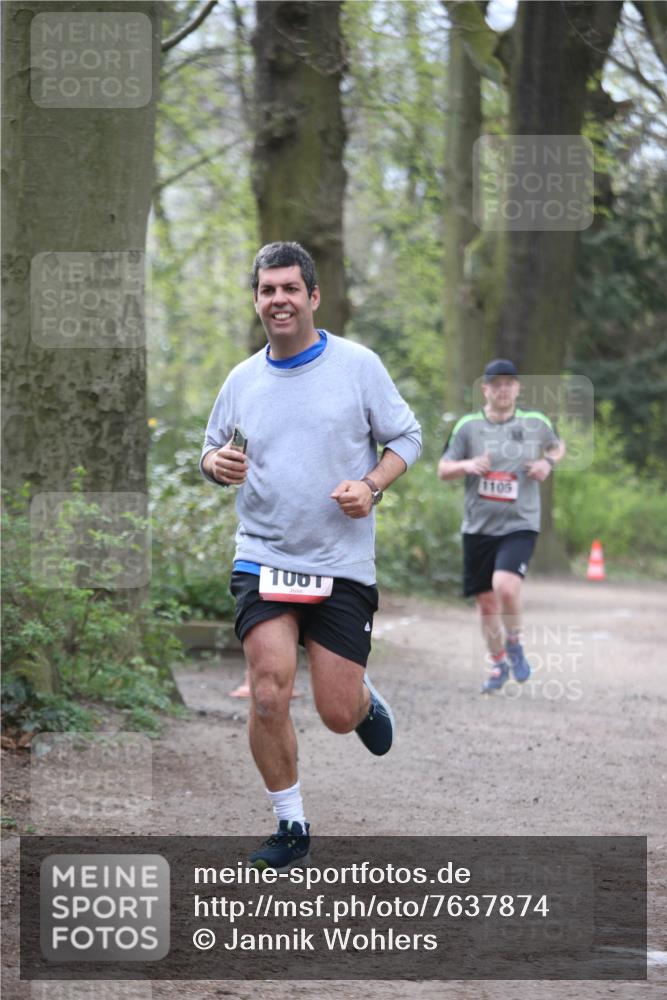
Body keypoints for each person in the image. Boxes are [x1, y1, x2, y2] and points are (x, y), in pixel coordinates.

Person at [200, 241, 422, 868]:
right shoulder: (243, 379)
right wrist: (217, 464)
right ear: (256, 300)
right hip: (263, 554)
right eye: (268, 290)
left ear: (313, 296)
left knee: (335, 712)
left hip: (340, 561)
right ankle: (290, 825)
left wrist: (372, 485)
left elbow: (407, 435)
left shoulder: (357, 366)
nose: (279, 300)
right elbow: (210, 451)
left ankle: (360, 699)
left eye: (290, 288)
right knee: (268, 692)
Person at [437, 359, 565, 693]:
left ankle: (515, 642)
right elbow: (443, 469)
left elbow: (557, 445)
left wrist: (546, 463)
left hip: (520, 522)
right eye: (497, 384)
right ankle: (498, 664)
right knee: (486, 603)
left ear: (518, 388)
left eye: (509, 383)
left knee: (505, 587)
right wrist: (468, 465)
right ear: (486, 389)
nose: (503, 389)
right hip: (478, 526)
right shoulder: (467, 427)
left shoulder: (535, 422)